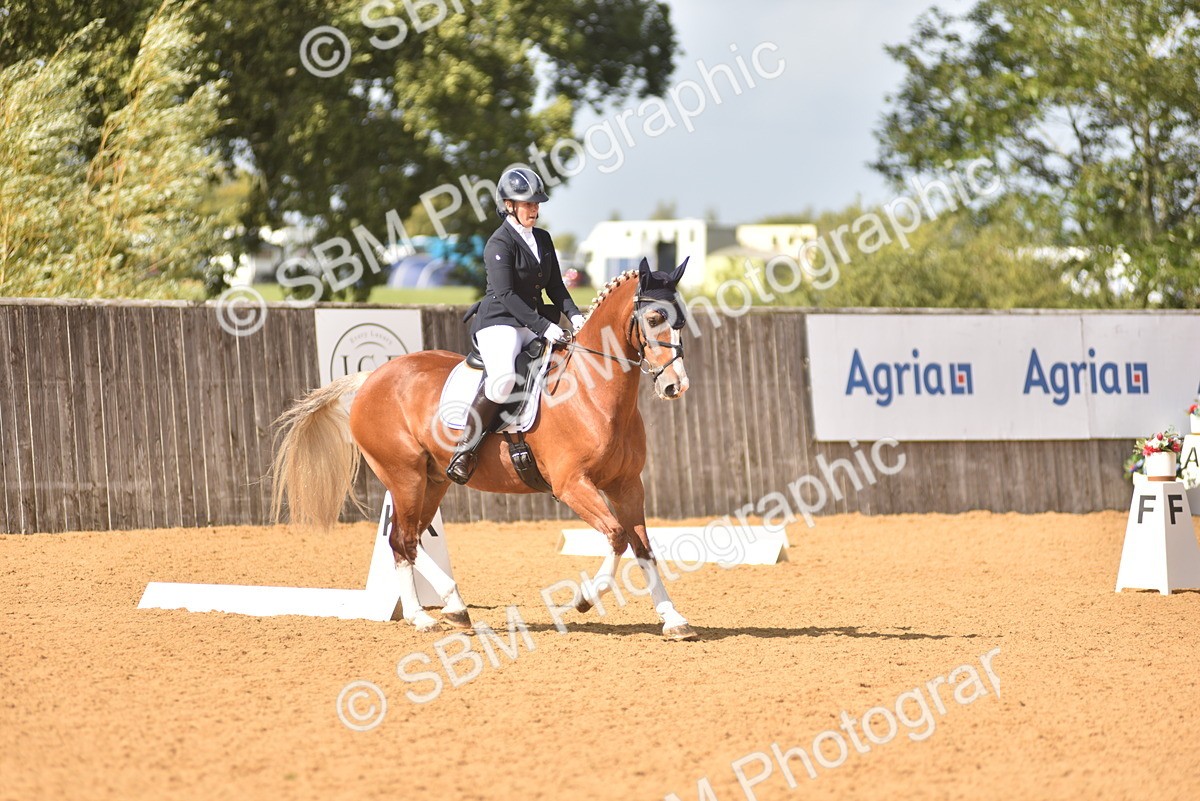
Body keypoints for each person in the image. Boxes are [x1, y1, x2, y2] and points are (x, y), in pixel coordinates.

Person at [446, 167, 585, 484]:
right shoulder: (499, 243)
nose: (534, 210)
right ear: (509, 205)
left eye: (537, 204)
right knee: (503, 380)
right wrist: (543, 326)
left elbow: (557, 288)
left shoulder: (543, 239)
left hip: (534, 320)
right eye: (527, 204)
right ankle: (463, 451)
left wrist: (575, 315)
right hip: (500, 322)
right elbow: (506, 294)